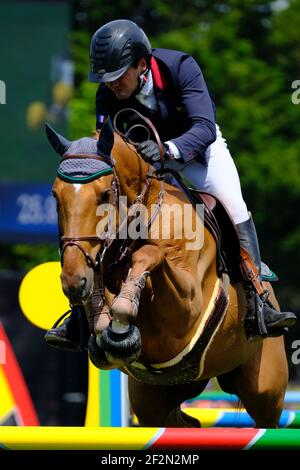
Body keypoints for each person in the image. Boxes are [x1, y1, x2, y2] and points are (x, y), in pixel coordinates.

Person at [45, 19, 296, 350]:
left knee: (234, 205)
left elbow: (204, 126)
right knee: (100, 214)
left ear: (142, 63)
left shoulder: (180, 67)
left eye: (119, 75)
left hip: (196, 153)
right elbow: (105, 143)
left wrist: (168, 150)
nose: (112, 85)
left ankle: (257, 299)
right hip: (144, 164)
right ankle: (81, 314)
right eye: (106, 78)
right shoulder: (107, 92)